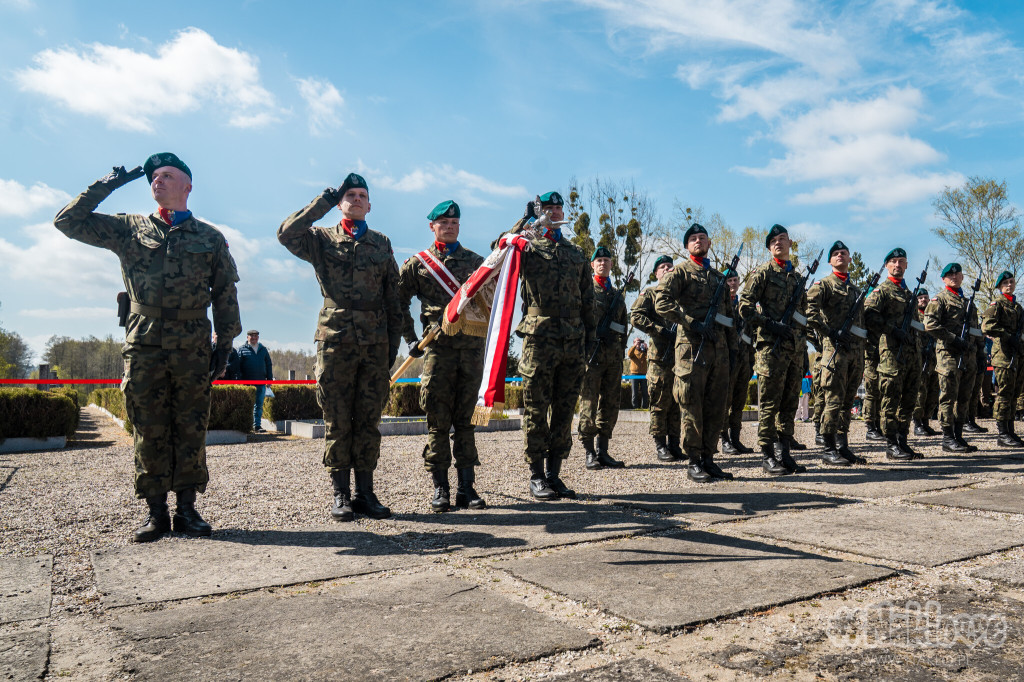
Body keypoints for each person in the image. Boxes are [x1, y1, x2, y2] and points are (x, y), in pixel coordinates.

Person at [54, 153, 241, 543]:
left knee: (190, 426)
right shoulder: (130, 229)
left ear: (188, 186)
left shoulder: (210, 237)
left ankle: (188, 509)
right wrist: (109, 183)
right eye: (153, 177)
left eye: (167, 175)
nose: (157, 181)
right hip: (144, 343)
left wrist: (224, 346)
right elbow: (67, 222)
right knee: (148, 425)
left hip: (192, 344)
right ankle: (156, 512)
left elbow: (225, 294)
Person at [278, 173, 402, 520]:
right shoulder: (320, 239)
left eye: (363, 195)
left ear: (370, 204)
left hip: (374, 343)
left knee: (368, 419)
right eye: (350, 195)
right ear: (340, 202)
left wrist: (393, 344)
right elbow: (286, 233)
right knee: (336, 420)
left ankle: (365, 493)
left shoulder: (381, 243)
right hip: (335, 341)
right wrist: (323, 201)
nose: (357, 199)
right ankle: (340, 494)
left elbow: (393, 296)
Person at [398, 200, 487, 512]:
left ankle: (467, 488)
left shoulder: (478, 264)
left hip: (472, 352)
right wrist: (410, 338)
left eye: (455, 222)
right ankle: (441, 489)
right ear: (432, 226)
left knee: (467, 422)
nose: (450, 226)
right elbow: (397, 302)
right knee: (437, 422)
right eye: (443, 222)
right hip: (438, 352)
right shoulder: (418, 264)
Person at [515, 192, 595, 500]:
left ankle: (554, 474)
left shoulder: (576, 253)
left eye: (559, 208)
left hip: (573, 341)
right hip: (540, 339)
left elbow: (588, 301)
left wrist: (589, 342)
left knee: (564, 409)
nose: (556, 212)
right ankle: (536, 475)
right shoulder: (528, 247)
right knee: (537, 409)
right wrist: (525, 222)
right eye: (549, 208)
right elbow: (500, 249)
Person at [654, 223, 738, 482]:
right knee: (691, 404)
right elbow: (661, 302)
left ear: (709, 243)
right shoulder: (680, 273)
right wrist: (690, 321)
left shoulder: (718, 278)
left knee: (716, 405)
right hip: (691, 348)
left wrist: (732, 349)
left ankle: (709, 458)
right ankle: (693, 461)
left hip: (718, 349)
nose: (698, 241)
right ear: (686, 245)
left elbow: (728, 316)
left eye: (702, 237)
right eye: (693, 238)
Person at [738, 224, 808, 475]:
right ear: (769, 248)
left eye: (782, 239)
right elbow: (744, 307)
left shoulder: (798, 279)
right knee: (769, 405)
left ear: (790, 244)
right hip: (770, 349)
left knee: (789, 404)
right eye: (773, 241)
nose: (778, 243)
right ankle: (767, 454)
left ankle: (783, 452)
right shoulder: (762, 273)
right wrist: (769, 325)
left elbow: (805, 315)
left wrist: (803, 343)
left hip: (795, 350)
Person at [806, 241, 867, 466]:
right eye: (835, 254)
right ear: (830, 261)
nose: (840, 256)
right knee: (832, 401)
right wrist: (828, 332)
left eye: (844, 253)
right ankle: (828, 448)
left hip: (855, 354)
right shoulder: (824, 285)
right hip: (835, 353)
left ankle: (843, 446)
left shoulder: (856, 290)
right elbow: (808, 312)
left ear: (850, 259)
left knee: (847, 402)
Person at [864, 248, 922, 460]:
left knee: (909, 400)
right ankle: (891, 444)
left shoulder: (909, 294)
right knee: (890, 400)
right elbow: (868, 315)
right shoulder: (882, 291)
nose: (898, 265)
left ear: (907, 265)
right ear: (887, 265)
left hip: (912, 355)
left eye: (902, 261)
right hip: (891, 355)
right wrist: (892, 329)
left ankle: (902, 440)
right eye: (894, 261)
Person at [578, 246, 628, 471]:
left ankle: (603, 450)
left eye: (607, 260)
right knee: (589, 403)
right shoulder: (586, 291)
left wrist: (620, 350)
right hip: (592, 357)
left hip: (613, 358)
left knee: (610, 404)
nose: (603, 263)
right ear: (592, 265)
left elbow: (623, 326)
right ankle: (589, 451)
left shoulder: (616, 294)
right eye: (599, 260)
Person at [631, 256, 684, 462]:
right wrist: (660, 330)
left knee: (677, 403)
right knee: (660, 402)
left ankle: (675, 445)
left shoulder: (680, 295)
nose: (667, 269)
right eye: (662, 267)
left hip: (681, 359)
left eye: (670, 266)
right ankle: (661, 445)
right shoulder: (651, 293)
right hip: (660, 358)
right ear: (656, 274)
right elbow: (635, 316)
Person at [924, 262, 980, 453]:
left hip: (968, 354)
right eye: (950, 275)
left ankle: (958, 434)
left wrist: (978, 352)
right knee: (948, 396)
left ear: (962, 277)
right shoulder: (940, 299)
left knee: (965, 396)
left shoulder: (968, 303)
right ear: (943, 279)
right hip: (949, 354)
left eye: (957, 274)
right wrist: (954, 339)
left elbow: (976, 330)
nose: (954, 277)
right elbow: (929, 324)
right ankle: (948, 438)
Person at [981, 271, 1024, 447]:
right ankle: (1002, 433)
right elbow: (987, 325)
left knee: (1015, 394)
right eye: (1005, 282)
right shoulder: (997, 304)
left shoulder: (1018, 307)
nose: (1009, 284)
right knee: (1004, 394)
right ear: (1000, 286)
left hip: (1018, 354)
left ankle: (1011, 430)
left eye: (1011, 281)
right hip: (1004, 355)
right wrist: (1007, 336)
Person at [721, 268, 755, 455]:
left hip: (743, 360)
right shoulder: (720, 305)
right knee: (725, 403)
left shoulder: (744, 306)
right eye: (729, 280)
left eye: (735, 280)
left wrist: (751, 361)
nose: (732, 283)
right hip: (726, 360)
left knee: (739, 402)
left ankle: (736, 439)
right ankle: (725, 440)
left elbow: (750, 337)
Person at [913, 289, 940, 436]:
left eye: (926, 297)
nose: (923, 300)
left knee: (933, 391)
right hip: (919, 359)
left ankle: (926, 421)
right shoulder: (914, 316)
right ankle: (917, 423)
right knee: (920, 391)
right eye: (921, 298)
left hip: (933, 359)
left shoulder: (932, 315)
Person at [237, 330, 273, 432]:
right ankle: (245, 425)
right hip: (247, 384)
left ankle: (257, 426)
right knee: (246, 405)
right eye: (251, 336)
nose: (254, 338)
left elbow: (269, 364)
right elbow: (238, 367)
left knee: (259, 405)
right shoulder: (242, 349)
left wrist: (270, 379)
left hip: (261, 382)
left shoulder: (263, 350)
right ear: (247, 337)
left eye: (256, 336)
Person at [628, 338, 649, 409]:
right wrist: (635, 346)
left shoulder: (644, 351)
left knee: (645, 392)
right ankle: (635, 407)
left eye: (640, 342)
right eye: (637, 342)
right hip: (634, 374)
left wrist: (646, 348)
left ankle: (645, 407)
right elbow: (629, 354)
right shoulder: (633, 350)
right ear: (634, 342)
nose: (639, 343)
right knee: (635, 392)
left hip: (643, 374)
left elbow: (649, 357)